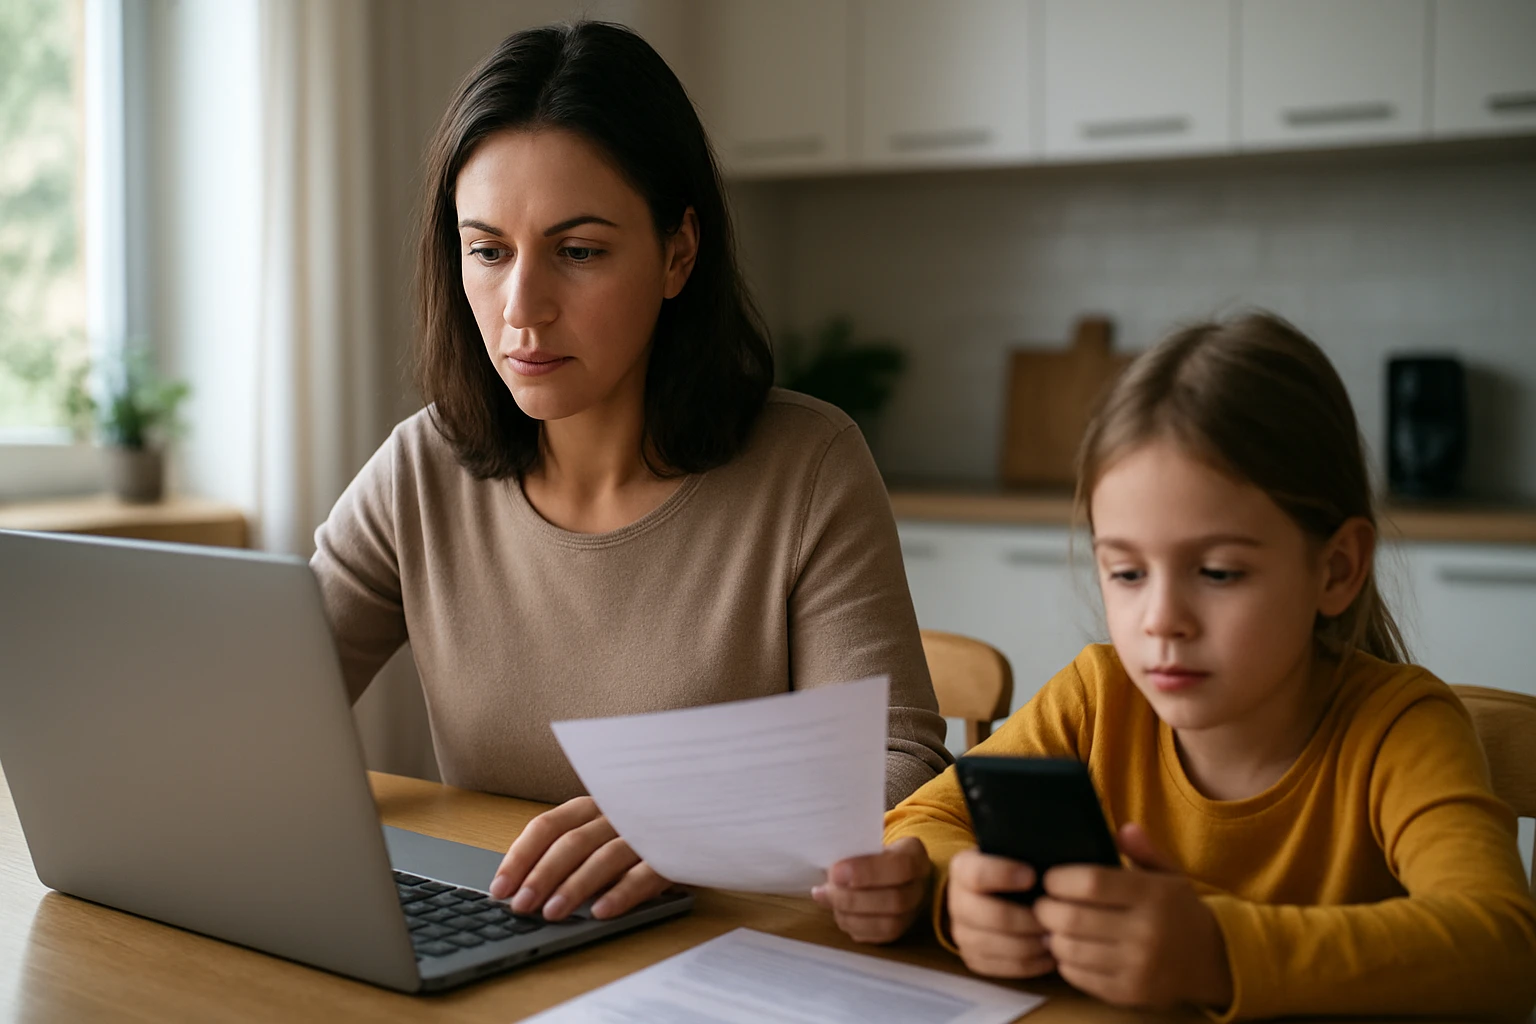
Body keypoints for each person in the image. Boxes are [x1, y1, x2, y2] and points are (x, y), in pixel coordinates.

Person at [311, 21, 948, 927]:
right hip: (506, 938)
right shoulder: (422, 467)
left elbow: (901, 764)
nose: (521, 308)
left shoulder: (806, 466)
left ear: (679, 252)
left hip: (722, 956)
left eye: (578, 251)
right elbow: (268, 708)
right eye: (487, 251)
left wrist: (687, 823)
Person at [814, 313, 1536, 1020]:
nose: (1162, 619)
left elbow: (1503, 946)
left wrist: (1214, 951)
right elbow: (919, 821)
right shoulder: (1097, 696)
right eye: (1127, 574)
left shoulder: (1400, 729)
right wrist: (955, 893)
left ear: (1337, 569)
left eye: (1219, 572)